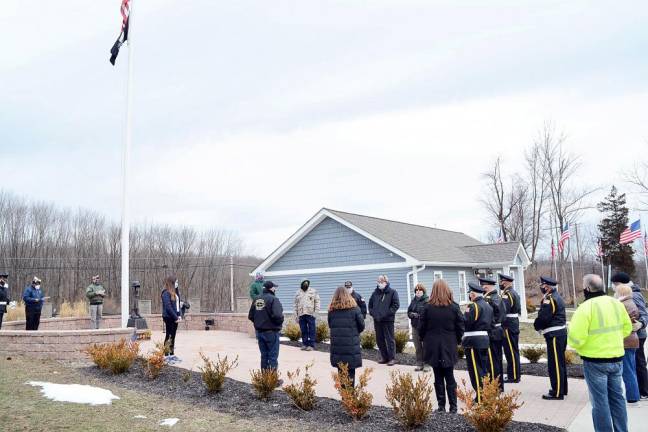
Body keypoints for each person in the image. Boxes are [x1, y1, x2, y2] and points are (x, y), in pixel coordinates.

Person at [568, 274, 632, 432]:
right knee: (618, 399)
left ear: (587, 288)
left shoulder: (585, 307)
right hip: (617, 360)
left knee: (600, 403)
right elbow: (627, 329)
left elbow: (576, 338)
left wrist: (578, 347)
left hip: (595, 362)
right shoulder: (616, 304)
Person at [417, 279, 464, 413]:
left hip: (432, 345)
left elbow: (421, 328)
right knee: (450, 376)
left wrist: (423, 339)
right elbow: (460, 327)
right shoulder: (454, 307)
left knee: (438, 376)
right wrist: (458, 341)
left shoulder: (427, 307)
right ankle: (453, 407)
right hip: (449, 344)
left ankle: (441, 406)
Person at [611, 271, 648, 400]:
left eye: (615, 284)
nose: (613, 287)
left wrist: (641, 324)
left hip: (637, 334)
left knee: (638, 363)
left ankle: (643, 391)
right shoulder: (626, 294)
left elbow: (643, 314)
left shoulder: (633, 295)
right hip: (632, 334)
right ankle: (639, 391)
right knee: (634, 364)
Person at [533, 276, 568, 400]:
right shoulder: (555, 296)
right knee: (560, 362)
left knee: (555, 364)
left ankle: (557, 392)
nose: (541, 288)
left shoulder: (550, 299)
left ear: (546, 287)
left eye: (542, 286)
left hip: (554, 335)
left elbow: (544, 317)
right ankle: (562, 389)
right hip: (559, 333)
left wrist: (536, 326)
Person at [462, 281, 493, 404]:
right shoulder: (487, 306)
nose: (469, 295)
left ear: (473, 294)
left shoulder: (473, 306)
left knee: (476, 370)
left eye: (470, 293)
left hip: (473, 341)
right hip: (484, 340)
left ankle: (481, 397)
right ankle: (487, 394)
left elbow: (466, 322)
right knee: (483, 369)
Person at [328, 286, 365, 387]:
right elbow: (361, 326)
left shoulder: (332, 310)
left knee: (341, 372)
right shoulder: (355, 309)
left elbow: (330, 325)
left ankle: (345, 397)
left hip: (337, 347)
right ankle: (350, 399)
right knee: (351, 373)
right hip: (351, 346)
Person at [248, 280, 284, 383]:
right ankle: (272, 380)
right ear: (271, 288)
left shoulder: (257, 299)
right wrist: (278, 323)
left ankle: (264, 379)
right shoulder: (273, 299)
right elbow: (278, 315)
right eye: (274, 287)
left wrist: (259, 322)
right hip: (271, 333)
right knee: (272, 356)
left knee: (264, 356)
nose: (275, 289)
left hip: (260, 333)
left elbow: (251, 316)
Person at [614, 283, 642, 404]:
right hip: (632, 340)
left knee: (628, 370)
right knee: (631, 369)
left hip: (627, 340)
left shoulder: (623, 304)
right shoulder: (630, 302)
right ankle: (634, 394)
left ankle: (632, 396)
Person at [368, 274, 400, 366]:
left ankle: (392, 358)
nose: (379, 283)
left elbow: (395, 305)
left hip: (388, 320)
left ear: (386, 282)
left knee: (389, 339)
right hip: (377, 320)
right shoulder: (375, 293)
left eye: (381, 281)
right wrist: (373, 314)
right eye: (378, 281)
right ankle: (384, 357)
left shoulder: (392, 292)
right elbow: (370, 305)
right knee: (379, 339)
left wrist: (385, 314)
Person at [481, 276, 505, 392]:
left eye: (483, 285)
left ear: (488, 286)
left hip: (493, 332)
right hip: (496, 332)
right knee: (495, 360)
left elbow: (492, 317)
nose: (482, 287)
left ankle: (495, 387)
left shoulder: (492, 299)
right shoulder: (493, 297)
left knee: (493, 361)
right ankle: (498, 386)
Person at [499, 273, 521, 383]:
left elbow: (503, 311)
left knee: (510, 351)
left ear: (506, 282)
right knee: (514, 349)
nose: (500, 283)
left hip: (508, 325)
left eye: (501, 281)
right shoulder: (514, 293)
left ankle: (513, 376)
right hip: (514, 323)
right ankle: (515, 374)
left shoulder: (507, 295)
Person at [407, 283, 429, 371]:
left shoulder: (427, 301)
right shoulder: (413, 301)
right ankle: (419, 363)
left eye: (420, 290)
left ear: (423, 291)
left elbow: (429, 314)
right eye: (416, 290)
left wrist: (420, 315)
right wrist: (412, 314)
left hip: (425, 327)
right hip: (415, 326)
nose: (418, 292)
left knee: (426, 346)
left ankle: (427, 364)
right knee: (418, 346)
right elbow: (409, 312)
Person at [294, 279, 320, 351]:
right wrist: (296, 315)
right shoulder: (298, 292)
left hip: (310, 314)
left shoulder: (313, 291)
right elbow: (295, 304)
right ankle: (305, 344)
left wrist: (315, 313)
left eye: (307, 283)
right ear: (301, 284)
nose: (306, 284)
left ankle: (311, 345)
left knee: (312, 330)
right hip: (301, 314)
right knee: (303, 330)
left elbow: (317, 302)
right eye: (304, 283)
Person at [161, 275, 182, 360]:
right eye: (176, 282)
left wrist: (179, 315)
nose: (177, 284)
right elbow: (168, 307)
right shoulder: (165, 293)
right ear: (172, 283)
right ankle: (166, 355)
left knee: (173, 335)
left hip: (175, 317)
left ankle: (172, 354)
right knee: (168, 335)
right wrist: (175, 317)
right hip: (168, 317)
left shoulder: (176, 293)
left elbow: (178, 306)